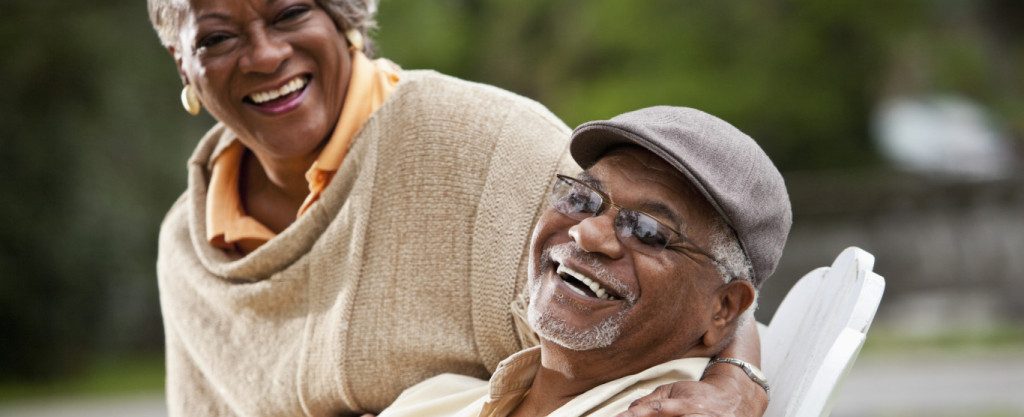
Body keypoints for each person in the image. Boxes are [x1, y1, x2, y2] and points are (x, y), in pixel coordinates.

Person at [147, 0, 770, 415]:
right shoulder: (186, 245)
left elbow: (688, 271)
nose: (262, 56)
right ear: (182, 62)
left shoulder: (482, 138)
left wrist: (737, 379)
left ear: (344, 17)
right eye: (219, 37)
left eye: (289, 12)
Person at [376, 106, 790, 417]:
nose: (587, 232)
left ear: (724, 308)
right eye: (581, 199)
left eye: (647, 231)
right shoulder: (438, 398)